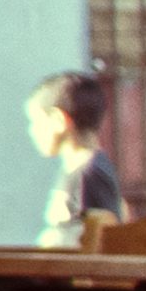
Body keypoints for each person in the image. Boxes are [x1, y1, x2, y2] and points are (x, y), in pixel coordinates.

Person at [26, 66, 124, 248]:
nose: (31, 131)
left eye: (35, 122)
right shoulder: (74, 168)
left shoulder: (91, 172)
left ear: (58, 121)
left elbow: (107, 236)